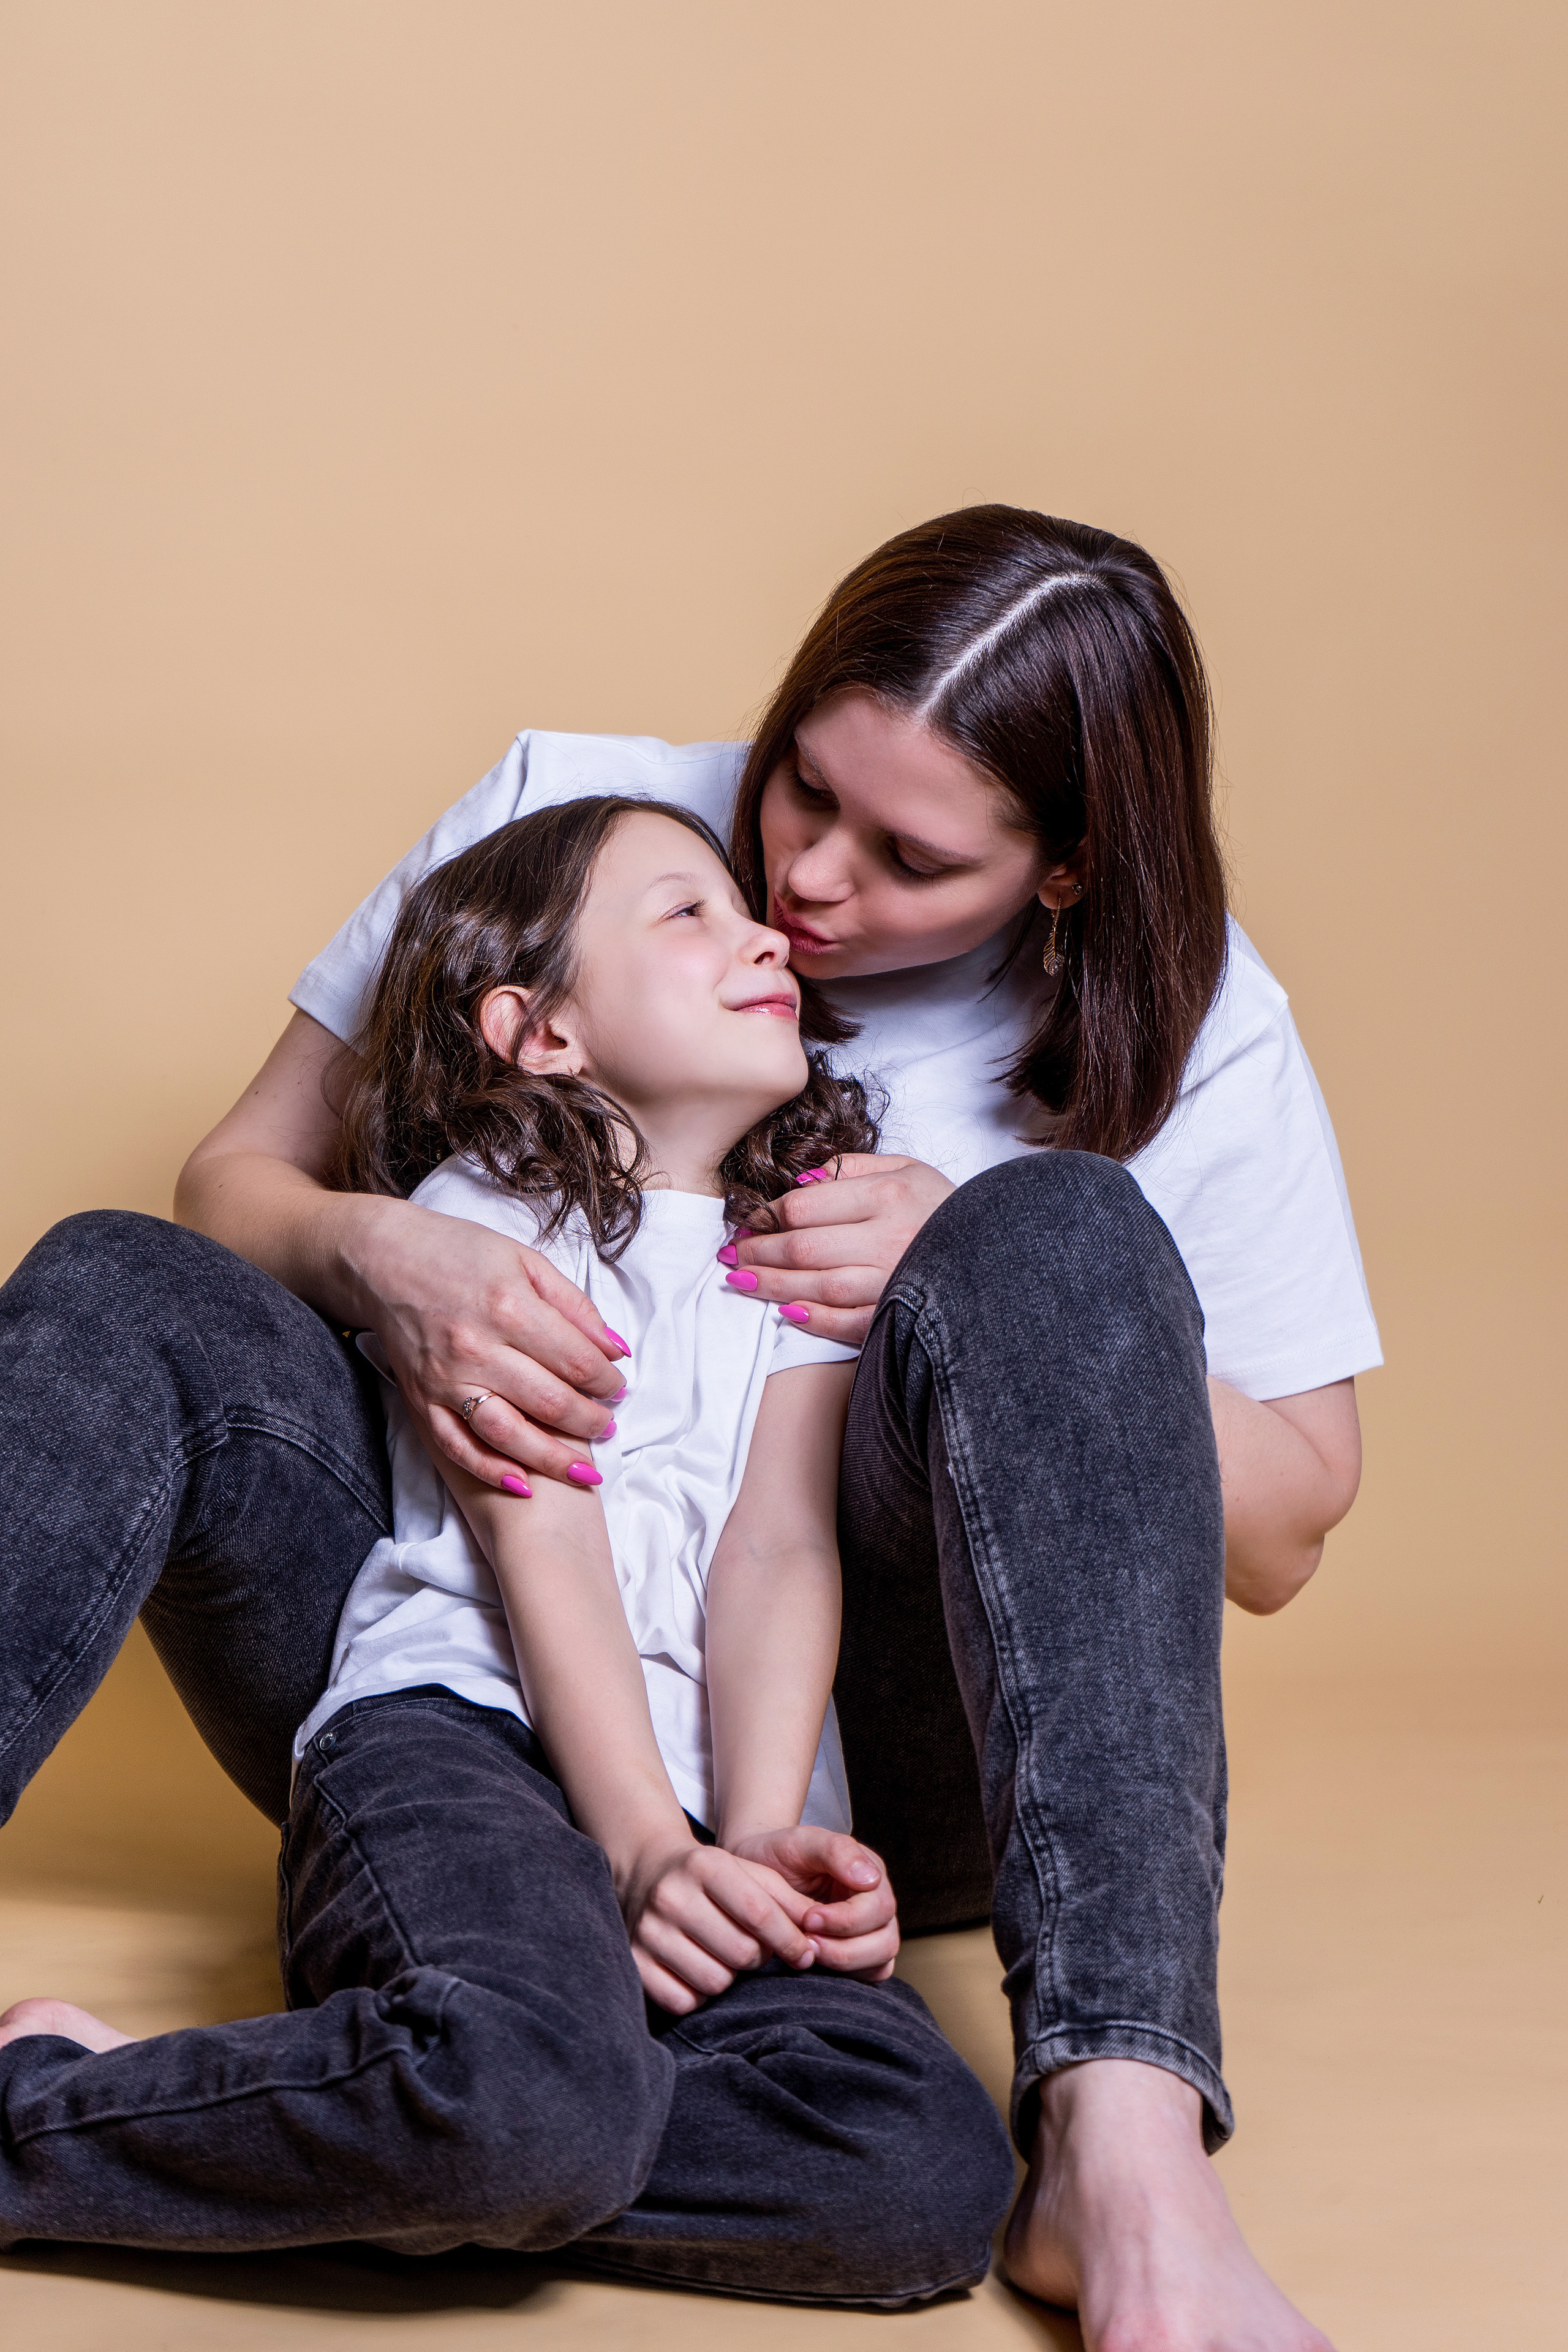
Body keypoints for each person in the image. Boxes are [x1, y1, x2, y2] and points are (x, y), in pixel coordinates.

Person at [0, 505, 1378, 2348]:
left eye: (911, 857)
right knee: (107, 1276)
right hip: (454, 1677)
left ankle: (1120, 2137)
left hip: (845, 1749)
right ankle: (457, 2084)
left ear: (1062, 874)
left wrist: (952, 1271)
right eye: (803, 786)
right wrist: (381, 1243)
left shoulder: (1197, 1025)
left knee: (1054, 1227)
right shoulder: (593, 825)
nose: (806, 886)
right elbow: (230, 1181)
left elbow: (1284, 1533)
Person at [0, 797, 1017, 2294]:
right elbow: (541, 1529)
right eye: (687, 915)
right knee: (531, 2111)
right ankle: (95, 2119)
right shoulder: (498, 1217)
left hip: (699, 1808)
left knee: (919, 2178)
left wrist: (751, 1842)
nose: (761, 935)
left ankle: (368, 2099)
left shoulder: (802, 1239)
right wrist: (642, 1847)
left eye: (742, 917)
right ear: (539, 1032)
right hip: (469, 1747)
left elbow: (779, 1553)